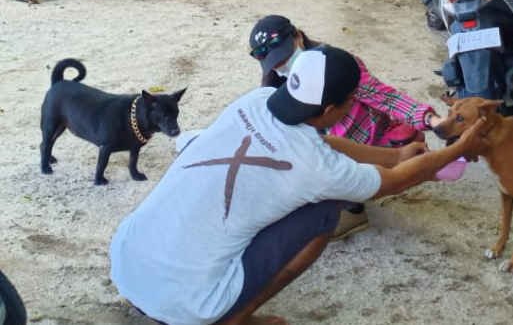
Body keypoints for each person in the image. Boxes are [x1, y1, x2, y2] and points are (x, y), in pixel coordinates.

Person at [110, 46, 488, 325]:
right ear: (329, 111)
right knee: (325, 212)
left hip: (126, 261)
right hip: (189, 305)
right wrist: (461, 148)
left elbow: (316, 142)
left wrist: (392, 155)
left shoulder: (255, 101)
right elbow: (393, 184)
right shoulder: (318, 169)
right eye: (351, 101)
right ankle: (234, 318)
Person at [249, 15, 446, 240]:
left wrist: (431, 120)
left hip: (360, 145)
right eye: (274, 65)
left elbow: (386, 98)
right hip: (327, 147)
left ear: (298, 36)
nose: (282, 66)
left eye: (284, 57)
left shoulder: (336, 66)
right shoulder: (275, 86)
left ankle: (351, 208)